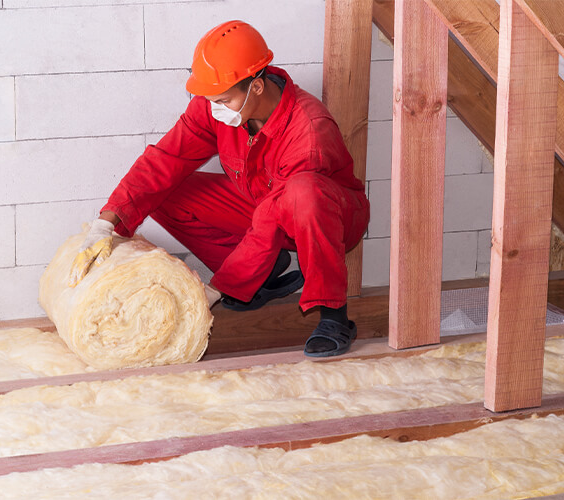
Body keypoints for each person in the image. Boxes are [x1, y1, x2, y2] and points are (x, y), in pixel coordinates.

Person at [68, 20, 370, 357]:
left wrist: (219, 288)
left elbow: (276, 214)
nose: (213, 109)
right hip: (260, 200)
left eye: (222, 100)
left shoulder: (308, 132)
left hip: (322, 217)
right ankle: (263, 274)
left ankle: (334, 317)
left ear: (256, 87)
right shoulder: (219, 106)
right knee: (168, 192)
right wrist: (106, 222)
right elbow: (167, 158)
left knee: (303, 194)